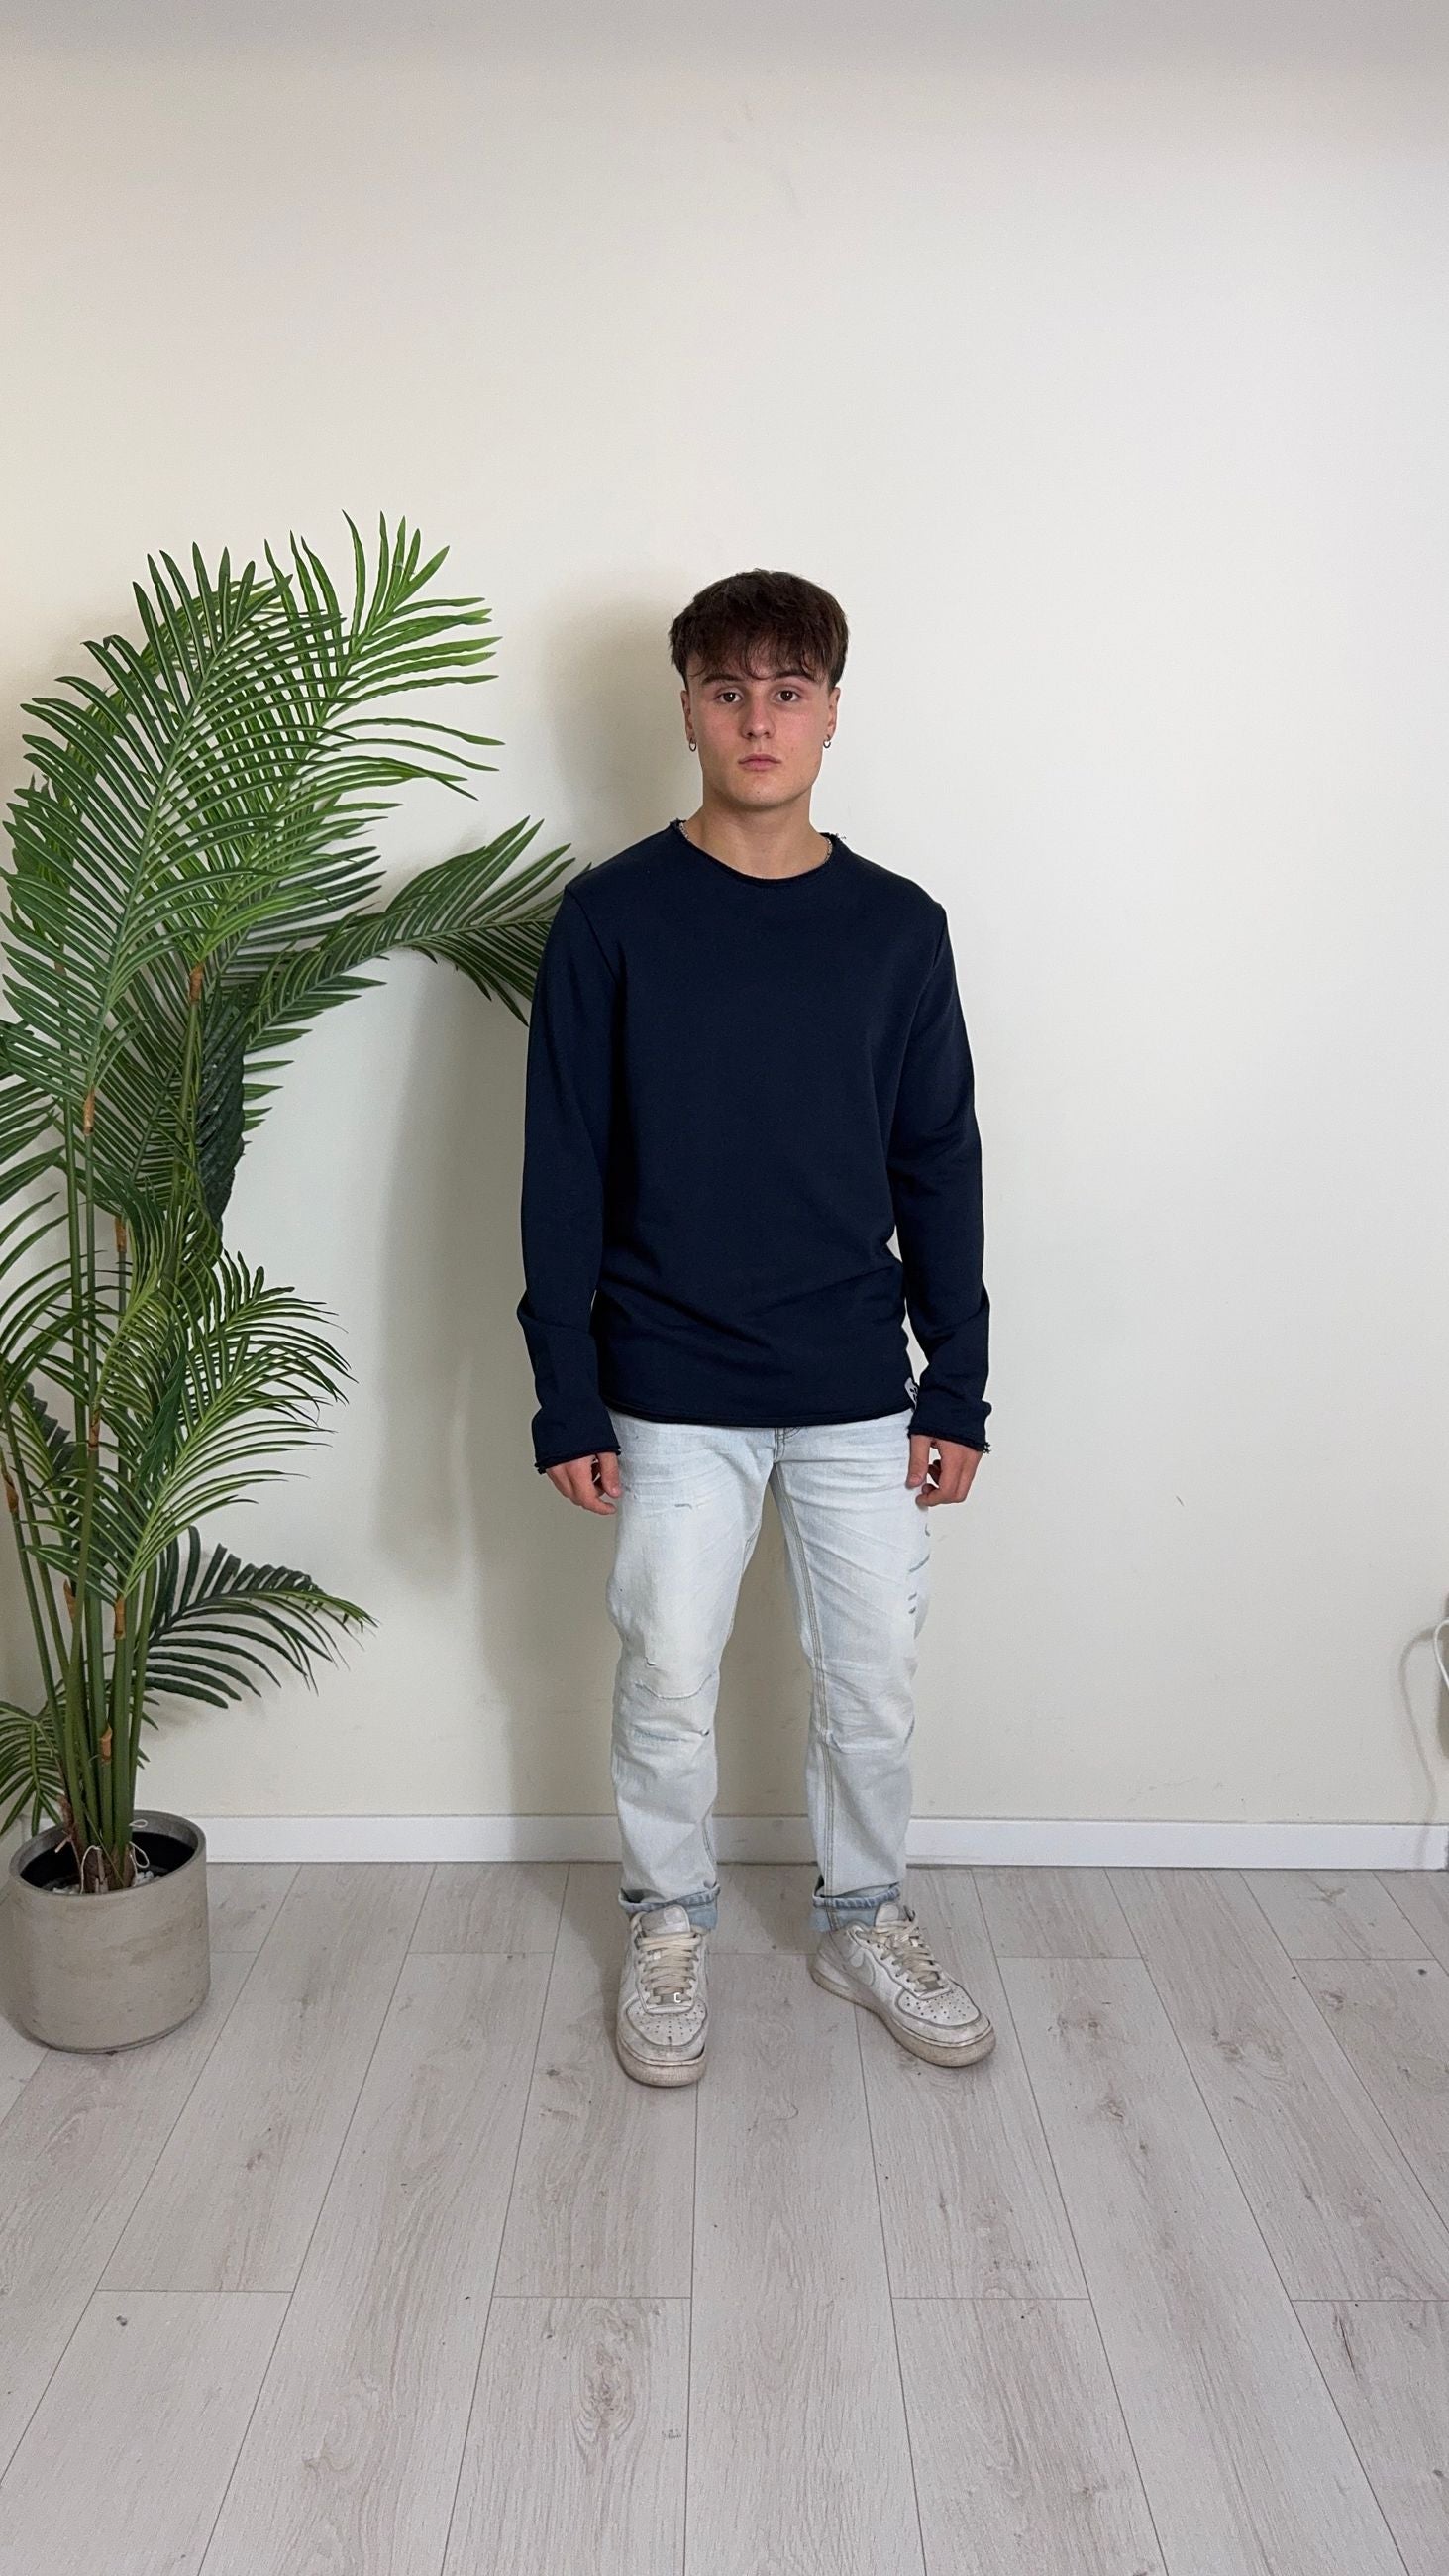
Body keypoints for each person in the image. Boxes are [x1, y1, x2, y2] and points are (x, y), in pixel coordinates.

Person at [516, 568, 995, 2088]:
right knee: (666, 1673)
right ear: (688, 712)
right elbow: (563, 1169)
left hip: (856, 1378)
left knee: (874, 1683)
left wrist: (958, 1385)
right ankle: (668, 1919)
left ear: (833, 712)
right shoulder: (612, 920)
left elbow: (940, 1162)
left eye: (789, 690)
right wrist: (566, 1392)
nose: (758, 719)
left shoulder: (898, 929)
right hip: (667, 1382)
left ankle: (863, 1916)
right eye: (728, 690)